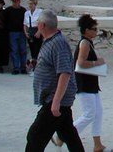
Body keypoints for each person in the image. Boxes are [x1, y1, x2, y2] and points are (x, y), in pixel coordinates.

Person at [26, 10, 84, 151]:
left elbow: (65, 73)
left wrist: (56, 102)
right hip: (54, 98)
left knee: (35, 136)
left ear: (42, 25)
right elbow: (52, 64)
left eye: (38, 23)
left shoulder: (58, 43)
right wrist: (35, 64)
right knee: (69, 135)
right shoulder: (50, 41)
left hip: (56, 99)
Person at [72, 14, 110, 152]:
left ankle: (97, 144)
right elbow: (80, 62)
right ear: (87, 30)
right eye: (94, 29)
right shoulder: (85, 43)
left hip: (91, 82)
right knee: (89, 114)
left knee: (98, 112)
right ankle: (65, 136)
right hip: (84, 83)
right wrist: (96, 62)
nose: (96, 31)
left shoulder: (88, 43)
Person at [6, 0, 28, 74]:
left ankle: (23, 67)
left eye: (15, 2)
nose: (14, 3)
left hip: (22, 32)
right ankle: (16, 68)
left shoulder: (23, 10)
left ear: (19, 2)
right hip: (12, 32)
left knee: (23, 50)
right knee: (14, 50)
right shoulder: (8, 10)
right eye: (13, 2)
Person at [24, 0, 43, 72]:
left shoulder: (40, 12)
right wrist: (25, 32)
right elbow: (25, 24)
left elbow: (41, 22)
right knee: (32, 50)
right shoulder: (27, 13)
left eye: (31, 4)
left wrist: (39, 32)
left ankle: (37, 68)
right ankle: (33, 67)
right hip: (30, 31)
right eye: (29, 4)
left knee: (37, 50)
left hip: (37, 30)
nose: (30, 5)